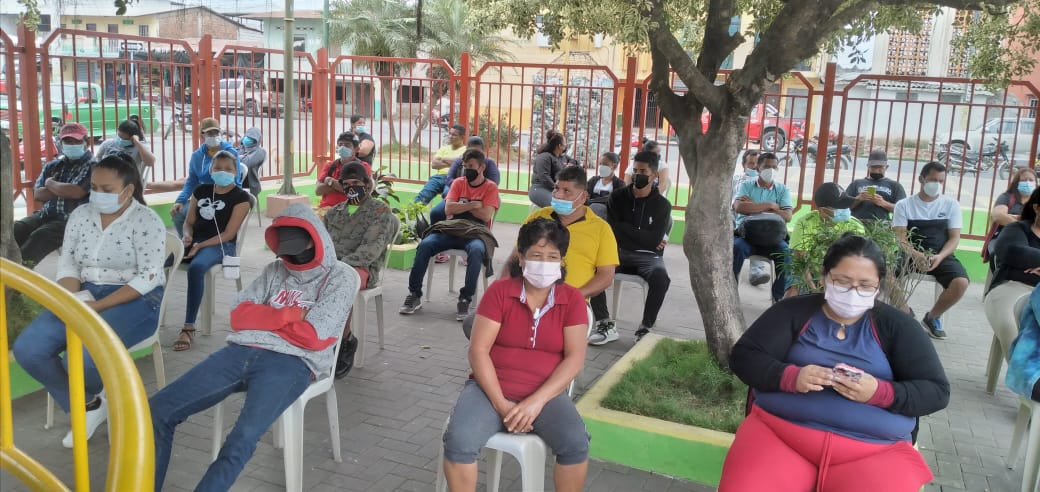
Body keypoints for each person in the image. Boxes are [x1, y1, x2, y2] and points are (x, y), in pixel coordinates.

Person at [150, 204, 360, 491]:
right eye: (284, 250)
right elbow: (238, 316)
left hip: (293, 363)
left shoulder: (340, 277)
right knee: (158, 409)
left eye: (295, 248)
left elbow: (315, 337)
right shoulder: (275, 270)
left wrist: (262, 319)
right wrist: (289, 315)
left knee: (242, 439)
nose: (289, 256)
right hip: (240, 351)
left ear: (316, 239)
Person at [721, 234, 950, 491]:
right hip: (779, 434)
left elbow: (936, 391)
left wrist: (879, 392)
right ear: (824, 276)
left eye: (865, 285)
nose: (853, 292)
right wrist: (790, 377)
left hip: (877, 451)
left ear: (879, 285)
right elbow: (745, 356)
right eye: (842, 282)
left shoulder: (898, 326)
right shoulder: (792, 312)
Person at [13, 154, 166, 448]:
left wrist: (96, 308)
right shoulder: (81, 215)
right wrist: (73, 300)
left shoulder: (147, 221)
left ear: (128, 190)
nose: (98, 195)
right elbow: (69, 264)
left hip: (136, 298)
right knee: (29, 349)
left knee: (82, 358)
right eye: (94, 187)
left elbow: (148, 277)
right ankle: (89, 404)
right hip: (84, 292)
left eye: (107, 189)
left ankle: (93, 404)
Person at [442, 219, 590, 492]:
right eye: (536, 255)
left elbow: (574, 359)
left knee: (575, 443)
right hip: (489, 390)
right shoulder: (500, 292)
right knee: (459, 441)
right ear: (521, 259)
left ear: (561, 261)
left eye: (552, 257)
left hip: (546, 394)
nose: (544, 263)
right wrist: (501, 404)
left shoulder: (572, 300)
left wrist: (535, 402)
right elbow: (478, 351)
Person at [400, 149, 500, 320]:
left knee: (477, 251)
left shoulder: (490, 187)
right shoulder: (458, 183)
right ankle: (414, 294)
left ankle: (465, 298)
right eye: (465, 166)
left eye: (471, 166)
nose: (467, 170)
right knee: (425, 244)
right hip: (451, 229)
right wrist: (474, 205)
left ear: (482, 167)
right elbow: (448, 209)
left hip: (475, 233)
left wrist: (461, 205)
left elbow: (485, 215)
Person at [519, 166, 618, 334]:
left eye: (567, 191)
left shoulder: (601, 229)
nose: (558, 195)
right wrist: (503, 291)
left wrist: (575, 296)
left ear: (583, 197)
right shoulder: (538, 217)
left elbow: (606, 276)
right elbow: (516, 257)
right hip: (528, 299)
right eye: (556, 188)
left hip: (571, 306)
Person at [587, 151, 672, 345]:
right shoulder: (617, 197)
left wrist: (625, 228)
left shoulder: (662, 205)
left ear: (654, 175)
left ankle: (645, 327)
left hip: (648, 256)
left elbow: (653, 242)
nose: (637, 175)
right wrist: (641, 234)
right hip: (617, 252)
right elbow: (613, 232)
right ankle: (605, 324)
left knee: (661, 278)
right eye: (635, 170)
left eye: (643, 171)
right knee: (593, 269)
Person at [324, 162, 400, 378]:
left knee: (341, 282)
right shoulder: (334, 213)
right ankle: (315, 338)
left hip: (362, 268)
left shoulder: (380, 211)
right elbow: (322, 244)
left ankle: (344, 340)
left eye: (356, 183)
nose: (351, 188)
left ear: (367, 184)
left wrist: (337, 266)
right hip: (332, 266)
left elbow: (369, 251)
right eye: (346, 184)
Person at [174, 150, 252, 352]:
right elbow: (188, 223)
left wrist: (200, 246)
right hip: (196, 241)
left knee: (196, 267)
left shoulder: (241, 197)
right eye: (217, 168)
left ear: (236, 172)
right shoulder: (201, 190)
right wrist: (187, 236)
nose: (222, 171)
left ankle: (188, 327)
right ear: (210, 170)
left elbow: (228, 234)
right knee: (159, 263)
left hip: (222, 245)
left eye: (228, 168)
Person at [892, 162, 968, 340]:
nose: (937, 185)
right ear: (921, 179)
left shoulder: (951, 205)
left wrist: (940, 256)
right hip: (909, 254)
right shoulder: (904, 205)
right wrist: (917, 255)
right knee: (884, 273)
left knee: (961, 282)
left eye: (941, 181)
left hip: (940, 255)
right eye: (933, 180)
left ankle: (932, 317)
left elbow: (954, 238)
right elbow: (901, 238)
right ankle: (906, 315)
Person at [13, 123, 94, 266]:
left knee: (40, 236)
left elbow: (76, 192)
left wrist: (50, 183)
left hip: (74, 221)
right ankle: (6, 267)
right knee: (15, 229)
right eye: (68, 142)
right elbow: (38, 195)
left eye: (77, 141)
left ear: (86, 143)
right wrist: (63, 189)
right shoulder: (53, 165)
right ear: (61, 144)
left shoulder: (93, 166)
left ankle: (18, 274)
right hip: (45, 215)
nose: (72, 145)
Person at [732, 152, 796, 302]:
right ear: (758, 168)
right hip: (747, 236)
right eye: (767, 166)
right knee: (736, 249)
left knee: (786, 254)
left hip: (773, 238)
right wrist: (771, 205)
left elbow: (787, 216)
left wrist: (754, 206)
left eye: (774, 167)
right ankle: (730, 291)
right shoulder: (747, 185)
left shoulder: (782, 189)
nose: (771, 170)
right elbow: (739, 207)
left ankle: (778, 297)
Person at [171, 117, 241, 236]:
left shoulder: (231, 153)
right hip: (203, 197)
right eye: (209, 133)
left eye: (216, 132)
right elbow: (191, 181)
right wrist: (180, 200)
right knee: (178, 214)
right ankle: (187, 243)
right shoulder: (197, 156)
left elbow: (236, 179)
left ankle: (204, 243)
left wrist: (236, 201)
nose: (213, 136)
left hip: (225, 195)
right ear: (202, 135)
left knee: (204, 217)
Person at [790, 182, 866, 291]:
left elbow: (858, 261)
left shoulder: (855, 225)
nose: (845, 209)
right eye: (840, 207)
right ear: (822, 210)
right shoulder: (805, 223)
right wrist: (814, 290)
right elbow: (801, 262)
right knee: (795, 289)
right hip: (811, 275)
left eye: (845, 205)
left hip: (845, 277)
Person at [430, 136, 502, 226]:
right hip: (458, 195)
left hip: (481, 199)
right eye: (465, 166)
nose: (473, 154)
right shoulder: (459, 162)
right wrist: (462, 190)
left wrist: (461, 204)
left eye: (477, 152)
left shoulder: (489, 164)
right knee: (436, 213)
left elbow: (494, 181)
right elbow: (449, 179)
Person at [732, 150, 770, 286]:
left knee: (760, 228)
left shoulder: (768, 183)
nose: (754, 167)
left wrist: (753, 206)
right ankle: (731, 276)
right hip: (735, 218)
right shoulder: (736, 180)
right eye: (750, 163)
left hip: (758, 220)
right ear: (744, 165)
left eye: (757, 164)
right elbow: (734, 203)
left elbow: (768, 206)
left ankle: (756, 272)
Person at [984, 167, 1037, 264]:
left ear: (1036, 183)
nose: (1028, 183)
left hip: (1031, 241)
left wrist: (1012, 217)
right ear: (1016, 182)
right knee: (998, 257)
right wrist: (1025, 224)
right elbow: (998, 216)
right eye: (1024, 180)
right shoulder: (1007, 197)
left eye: (1031, 180)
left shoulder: (1036, 201)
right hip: (1003, 238)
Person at [846, 150, 907, 222]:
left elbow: (903, 210)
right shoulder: (856, 183)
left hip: (882, 225)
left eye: (880, 167)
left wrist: (883, 203)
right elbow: (843, 208)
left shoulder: (895, 186)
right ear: (868, 166)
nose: (876, 170)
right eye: (873, 167)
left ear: (886, 167)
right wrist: (858, 199)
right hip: (857, 224)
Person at [93, 118, 156, 185]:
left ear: (133, 138)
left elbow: (150, 162)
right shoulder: (108, 144)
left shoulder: (139, 147)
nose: (120, 140)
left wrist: (137, 142)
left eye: (124, 139)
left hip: (128, 183)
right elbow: (97, 160)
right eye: (119, 136)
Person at [415, 124, 467, 204]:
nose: (450, 136)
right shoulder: (444, 148)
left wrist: (443, 159)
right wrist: (455, 163)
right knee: (424, 195)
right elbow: (434, 164)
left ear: (462, 137)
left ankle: (444, 211)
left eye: (454, 135)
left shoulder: (466, 150)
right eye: (450, 133)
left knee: (448, 195)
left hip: (455, 178)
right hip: (439, 177)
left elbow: (462, 163)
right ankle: (411, 211)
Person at [316, 132, 367, 213]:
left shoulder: (362, 167)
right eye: (340, 144)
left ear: (356, 149)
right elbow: (318, 190)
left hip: (349, 211)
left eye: (347, 145)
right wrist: (344, 187)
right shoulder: (330, 166)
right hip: (326, 210)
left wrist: (331, 181)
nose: (343, 147)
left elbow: (357, 192)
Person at [529, 132, 566, 207]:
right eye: (565, 143)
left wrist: (572, 162)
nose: (566, 145)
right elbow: (544, 177)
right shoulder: (544, 157)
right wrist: (557, 189)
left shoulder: (560, 157)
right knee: (558, 206)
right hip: (540, 188)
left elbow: (573, 160)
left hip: (554, 189)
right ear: (559, 145)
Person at [586, 151, 624, 221]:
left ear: (614, 166)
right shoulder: (593, 180)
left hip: (608, 215)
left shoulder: (619, 184)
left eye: (605, 164)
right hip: (590, 211)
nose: (601, 167)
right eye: (600, 164)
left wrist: (592, 201)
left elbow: (617, 201)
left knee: (596, 207)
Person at [237, 127, 267, 197]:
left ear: (257, 141)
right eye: (247, 137)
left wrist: (237, 157)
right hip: (236, 183)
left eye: (252, 138)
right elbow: (227, 158)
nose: (248, 139)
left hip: (249, 185)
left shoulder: (260, 152)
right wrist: (239, 157)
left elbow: (246, 163)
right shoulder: (240, 149)